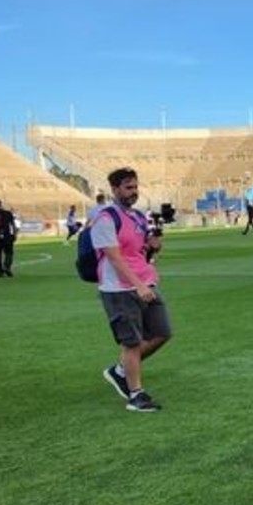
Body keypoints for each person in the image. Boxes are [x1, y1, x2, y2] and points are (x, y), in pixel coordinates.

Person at [94, 167, 172, 413]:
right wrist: (137, 285)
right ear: (115, 189)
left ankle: (120, 371)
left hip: (145, 283)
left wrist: (153, 245)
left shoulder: (137, 217)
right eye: (128, 187)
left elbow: (139, 252)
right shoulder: (106, 218)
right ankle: (135, 395)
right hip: (119, 289)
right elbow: (115, 258)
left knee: (162, 332)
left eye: (136, 187)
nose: (133, 192)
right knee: (132, 342)